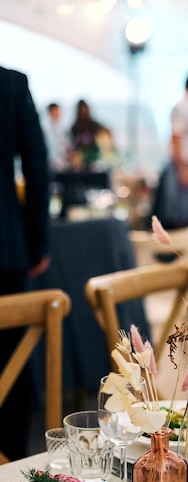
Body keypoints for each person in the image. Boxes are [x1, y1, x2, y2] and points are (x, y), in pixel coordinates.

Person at [0, 65, 50, 460]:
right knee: (9, 366)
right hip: (5, 248)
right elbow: (36, 166)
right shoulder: (10, 84)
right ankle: (10, 468)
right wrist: (38, 244)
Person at [152, 72, 188, 229]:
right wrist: (181, 169)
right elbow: (176, 138)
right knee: (179, 214)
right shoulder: (181, 108)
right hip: (183, 165)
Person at [70, 99, 107, 170]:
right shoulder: (75, 127)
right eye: (81, 109)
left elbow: (105, 134)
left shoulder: (94, 125)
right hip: (80, 156)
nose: (83, 111)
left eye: (85, 108)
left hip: (93, 154)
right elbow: (74, 143)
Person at [42, 102, 73, 172]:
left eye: (58, 110)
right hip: (53, 163)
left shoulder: (63, 127)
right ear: (50, 112)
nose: (58, 113)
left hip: (64, 161)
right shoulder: (46, 129)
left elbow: (67, 144)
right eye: (55, 110)